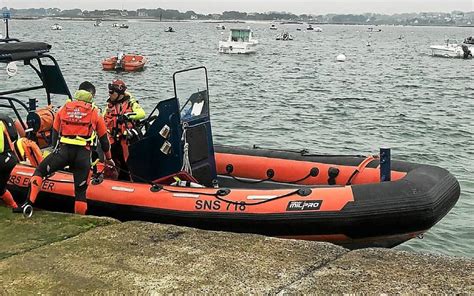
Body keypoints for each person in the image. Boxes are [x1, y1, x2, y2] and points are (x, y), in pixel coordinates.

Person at [19, 81, 114, 215]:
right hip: (83, 155)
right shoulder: (95, 112)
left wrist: (54, 151)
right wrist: (109, 159)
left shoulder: (64, 108)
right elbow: (104, 141)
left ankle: (28, 204)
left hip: (63, 152)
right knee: (80, 192)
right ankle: (79, 219)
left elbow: (55, 133)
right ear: (91, 96)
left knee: (40, 171)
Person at [103, 79, 145, 180]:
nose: (110, 95)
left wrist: (127, 116)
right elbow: (103, 117)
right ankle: (112, 179)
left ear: (119, 92)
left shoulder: (131, 103)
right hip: (112, 138)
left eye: (112, 92)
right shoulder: (110, 105)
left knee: (126, 161)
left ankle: (128, 179)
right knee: (111, 161)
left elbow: (142, 114)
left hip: (125, 139)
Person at [0, 119, 19, 210]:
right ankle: (14, 206)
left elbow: (0, 148)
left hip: (5, 158)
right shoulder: (2, 124)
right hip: (9, 158)